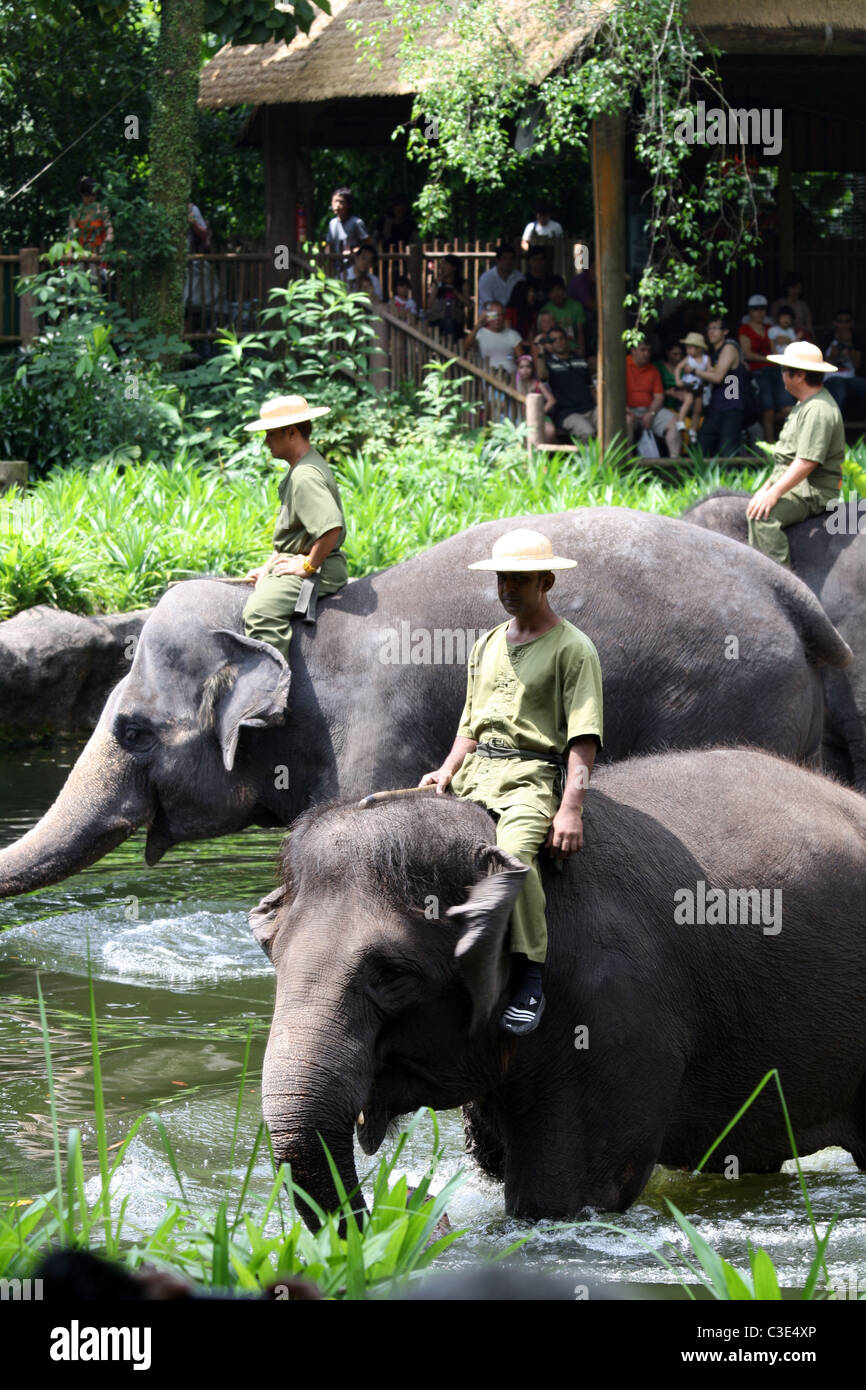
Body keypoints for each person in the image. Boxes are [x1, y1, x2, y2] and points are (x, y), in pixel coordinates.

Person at [419, 528, 602, 1035]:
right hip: (477, 773)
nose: (508, 588)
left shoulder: (574, 649)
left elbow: (583, 737)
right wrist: (446, 770)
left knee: (514, 853)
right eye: (503, 578)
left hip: (530, 776)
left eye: (520, 579)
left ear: (547, 582)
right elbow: (469, 726)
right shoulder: (487, 643)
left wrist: (570, 809)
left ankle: (530, 976)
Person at [241, 396, 348, 660]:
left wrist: (308, 566)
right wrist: (268, 567)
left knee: (259, 614)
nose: (266, 440)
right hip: (302, 557)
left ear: (291, 432)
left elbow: (330, 528)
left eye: (271, 433)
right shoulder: (301, 467)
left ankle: (274, 685)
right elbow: (295, 533)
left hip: (323, 567)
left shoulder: (304, 476)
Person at [745, 341, 843, 568]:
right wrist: (766, 488)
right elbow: (786, 460)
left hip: (813, 491)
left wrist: (774, 494)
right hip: (799, 486)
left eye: (784, 370)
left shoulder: (818, 409)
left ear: (799, 376)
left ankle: (781, 583)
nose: (781, 376)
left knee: (764, 517)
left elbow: (807, 462)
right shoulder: (805, 404)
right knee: (756, 506)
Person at [694, 315, 748, 459]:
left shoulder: (729, 347)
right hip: (716, 406)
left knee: (727, 451)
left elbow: (718, 377)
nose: (711, 332)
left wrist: (694, 371)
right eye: (709, 328)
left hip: (731, 406)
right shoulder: (714, 353)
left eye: (715, 328)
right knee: (702, 448)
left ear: (725, 331)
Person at [739, 294, 790, 443]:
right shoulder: (745, 329)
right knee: (768, 410)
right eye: (755, 309)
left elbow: (784, 341)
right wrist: (770, 358)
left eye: (762, 309)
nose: (759, 312)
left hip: (777, 370)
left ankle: (787, 444)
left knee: (788, 409)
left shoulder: (771, 328)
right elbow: (747, 354)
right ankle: (769, 447)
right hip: (758, 372)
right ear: (750, 311)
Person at [532, 327, 597, 439]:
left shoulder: (580, 360)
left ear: (567, 340)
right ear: (550, 344)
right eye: (554, 340)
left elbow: (591, 387)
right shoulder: (549, 363)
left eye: (561, 338)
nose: (559, 342)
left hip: (591, 408)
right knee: (587, 432)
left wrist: (600, 405)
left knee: (609, 424)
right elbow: (542, 375)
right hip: (567, 413)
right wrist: (541, 350)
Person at [625, 340, 681, 456]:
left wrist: (651, 414)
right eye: (642, 350)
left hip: (649, 410)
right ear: (633, 351)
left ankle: (675, 462)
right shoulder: (622, 365)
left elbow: (659, 397)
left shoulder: (653, 370)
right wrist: (626, 409)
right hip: (628, 411)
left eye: (649, 351)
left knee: (673, 422)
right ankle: (627, 462)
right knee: (626, 421)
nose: (647, 354)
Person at [822, 309, 866, 419]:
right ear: (834, 323)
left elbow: (857, 364)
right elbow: (821, 365)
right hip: (831, 377)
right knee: (839, 390)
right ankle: (833, 422)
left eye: (847, 321)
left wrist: (850, 344)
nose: (843, 325)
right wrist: (833, 355)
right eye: (840, 321)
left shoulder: (856, 338)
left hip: (851, 377)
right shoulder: (827, 337)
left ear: (851, 323)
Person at [464, 302, 522, 374]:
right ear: (488, 317)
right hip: (487, 376)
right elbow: (466, 347)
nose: (497, 318)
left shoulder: (512, 334)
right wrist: (478, 325)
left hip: (510, 377)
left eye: (500, 315)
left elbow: (522, 359)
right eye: (494, 315)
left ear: (504, 317)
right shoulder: (480, 333)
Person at [426, 254, 472, 342]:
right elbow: (429, 304)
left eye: (446, 264)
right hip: (437, 318)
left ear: (454, 267)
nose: (442, 267)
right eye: (442, 264)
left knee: (449, 323)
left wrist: (455, 292)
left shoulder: (462, 283)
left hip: (455, 319)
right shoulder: (437, 282)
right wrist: (437, 286)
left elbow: (468, 304)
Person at [673, 332, 710, 441]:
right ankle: (680, 420)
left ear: (699, 348)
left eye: (690, 348)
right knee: (688, 401)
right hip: (689, 385)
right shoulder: (688, 359)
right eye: (687, 348)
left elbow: (709, 370)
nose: (688, 351)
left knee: (698, 409)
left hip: (699, 387)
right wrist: (678, 380)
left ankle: (693, 430)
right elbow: (678, 368)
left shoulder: (706, 359)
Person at [325, 188, 368, 277]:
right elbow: (329, 245)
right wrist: (326, 254)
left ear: (348, 205)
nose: (337, 205)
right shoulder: (332, 223)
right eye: (335, 201)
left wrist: (353, 251)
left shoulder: (356, 222)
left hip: (354, 268)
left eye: (341, 202)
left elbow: (367, 245)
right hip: (336, 268)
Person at [515, 354, 556, 441]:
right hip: (523, 418)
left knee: (550, 430)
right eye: (521, 367)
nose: (525, 370)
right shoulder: (515, 385)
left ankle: (545, 450)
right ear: (517, 369)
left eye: (528, 367)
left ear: (532, 369)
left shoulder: (538, 384)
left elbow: (551, 400)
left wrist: (540, 413)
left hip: (541, 416)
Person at [540, 277, 585, 354]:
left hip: (574, 350)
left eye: (558, 289)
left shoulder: (576, 306)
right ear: (548, 295)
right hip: (554, 351)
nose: (556, 294)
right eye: (552, 291)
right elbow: (544, 335)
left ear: (564, 290)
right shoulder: (545, 310)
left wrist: (581, 352)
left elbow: (580, 332)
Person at [477, 244, 524, 310]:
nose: (508, 262)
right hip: (490, 314)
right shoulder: (486, 278)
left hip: (512, 314)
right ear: (497, 260)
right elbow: (487, 303)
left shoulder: (520, 278)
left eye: (510, 259)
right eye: (504, 258)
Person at [771, 272, 813, 340]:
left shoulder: (803, 305)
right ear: (786, 288)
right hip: (782, 338)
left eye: (798, 287)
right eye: (792, 287)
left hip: (802, 338)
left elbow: (809, 326)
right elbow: (774, 324)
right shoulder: (778, 304)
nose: (795, 290)